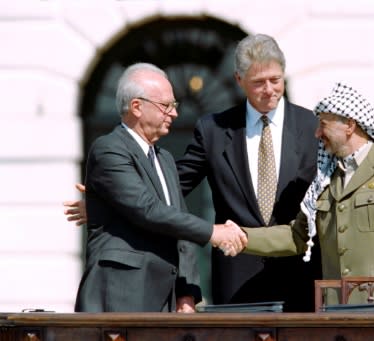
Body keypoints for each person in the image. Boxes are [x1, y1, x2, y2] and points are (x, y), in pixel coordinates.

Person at [64, 35, 374, 312]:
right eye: (259, 83)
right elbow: (170, 190)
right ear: (239, 82)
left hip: (310, 281)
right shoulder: (214, 129)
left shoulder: (314, 127)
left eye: (276, 80)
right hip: (238, 282)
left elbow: (354, 185)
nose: (269, 90)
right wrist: (110, 200)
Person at [231, 82, 374, 312]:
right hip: (338, 314)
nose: (317, 133)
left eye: (323, 125)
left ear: (349, 126)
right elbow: (297, 236)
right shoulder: (324, 180)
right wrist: (242, 236)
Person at [74, 62, 246, 313]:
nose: (174, 113)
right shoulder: (109, 149)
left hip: (165, 300)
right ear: (136, 107)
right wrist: (212, 232)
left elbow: (179, 220)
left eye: (174, 106)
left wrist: (188, 293)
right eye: (166, 106)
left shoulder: (164, 158)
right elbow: (147, 209)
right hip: (120, 295)